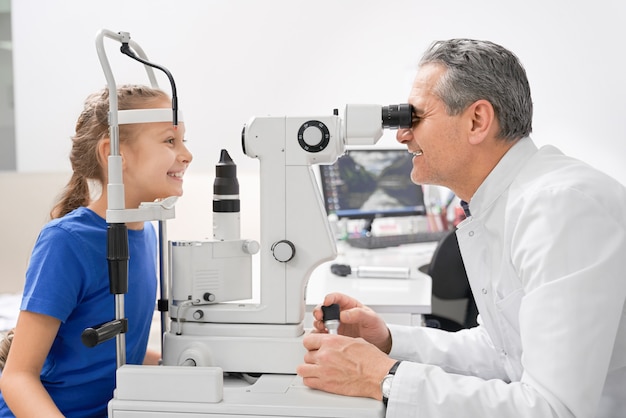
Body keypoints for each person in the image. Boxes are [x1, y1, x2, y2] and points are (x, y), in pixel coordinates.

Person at [297, 39, 626, 417]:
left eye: (415, 118)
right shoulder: (505, 203)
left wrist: (382, 378)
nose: (402, 135)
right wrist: (388, 341)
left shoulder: (561, 208)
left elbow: (552, 410)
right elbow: (502, 350)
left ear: (477, 121)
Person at [0, 85, 193, 417]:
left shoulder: (145, 233)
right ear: (113, 153)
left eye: (184, 141)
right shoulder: (66, 242)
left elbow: (111, 353)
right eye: (169, 141)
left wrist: (183, 368)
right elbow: (18, 377)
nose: (187, 155)